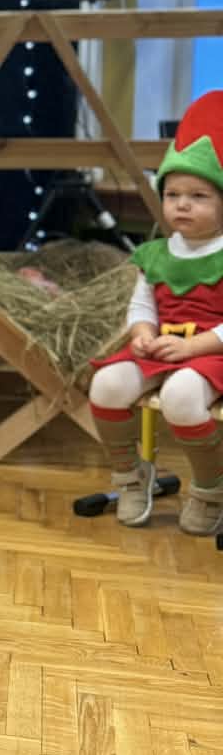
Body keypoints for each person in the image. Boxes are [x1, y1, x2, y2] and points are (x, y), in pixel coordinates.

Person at [89, 87, 223, 533]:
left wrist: (195, 347)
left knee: (181, 397)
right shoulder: (156, 253)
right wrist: (142, 333)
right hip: (164, 347)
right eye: (173, 193)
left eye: (199, 196)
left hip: (212, 352)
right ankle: (131, 476)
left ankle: (210, 488)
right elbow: (142, 304)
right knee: (107, 385)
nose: (182, 204)